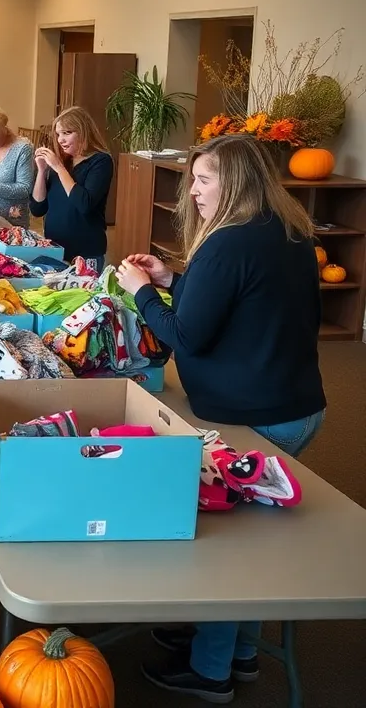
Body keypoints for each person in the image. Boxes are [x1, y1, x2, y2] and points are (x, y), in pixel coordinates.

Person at [115, 134, 326, 704]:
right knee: (253, 533)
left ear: (233, 183)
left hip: (252, 416)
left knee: (227, 544)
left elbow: (184, 335)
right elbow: (245, 301)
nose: (194, 190)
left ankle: (211, 670)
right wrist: (174, 281)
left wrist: (140, 293)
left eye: (204, 179)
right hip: (300, 409)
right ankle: (240, 650)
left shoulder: (226, 243)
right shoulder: (290, 233)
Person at [29, 106, 113, 266]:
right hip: (55, 249)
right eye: (58, 134)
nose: (60, 139)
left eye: (67, 133)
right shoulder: (60, 162)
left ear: (83, 132)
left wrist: (59, 168)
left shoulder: (101, 161)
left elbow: (84, 204)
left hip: (86, 253)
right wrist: (41, 171)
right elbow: (37, 209)